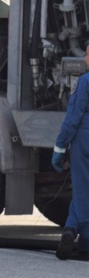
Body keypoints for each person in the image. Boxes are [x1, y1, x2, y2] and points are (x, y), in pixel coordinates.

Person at [52, 42, 89, 261]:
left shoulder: (84, 82)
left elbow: (72, 118)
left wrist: (59, 147)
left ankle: (79, 236)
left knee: (83, 187)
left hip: (84, 139)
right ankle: (71, 229)